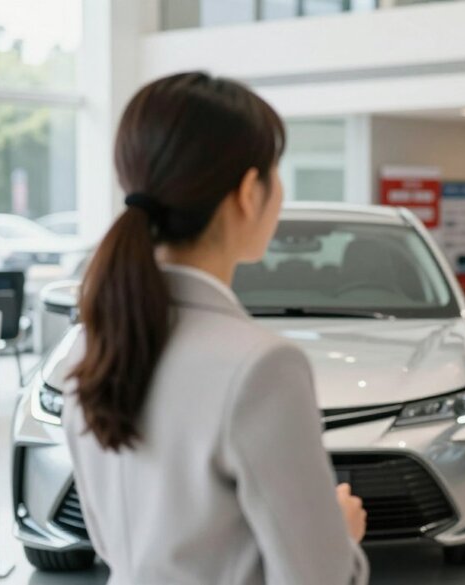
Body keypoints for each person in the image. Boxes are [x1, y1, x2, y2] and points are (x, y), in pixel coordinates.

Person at [61, 72, 369, 584]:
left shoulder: (90, 344)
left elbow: (113, 541)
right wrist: (340, 533)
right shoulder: (261, 365)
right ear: (250, 191)